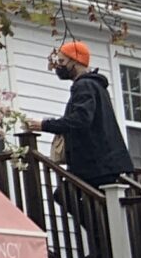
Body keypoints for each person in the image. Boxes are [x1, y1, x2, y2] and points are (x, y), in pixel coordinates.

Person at [37, 40, 135, 187]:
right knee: (70, 196)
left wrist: (44, 125)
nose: (58, 66)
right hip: (104, 166)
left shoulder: (84, 85)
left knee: (66, 196)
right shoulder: (95, 85)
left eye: (62, 61)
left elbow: (80, 119)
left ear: (75, 61)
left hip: (97, 167)